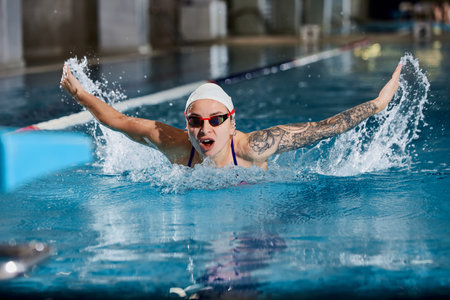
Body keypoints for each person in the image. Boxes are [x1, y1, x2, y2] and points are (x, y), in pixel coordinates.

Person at [60, 63, 402, 170]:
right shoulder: (175, 145)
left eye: (216, 119)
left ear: (232, 122)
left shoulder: (255, 147)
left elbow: (322, 129)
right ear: (186, 124)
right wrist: (79, 94)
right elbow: (117, 121)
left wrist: (377, 105)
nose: (205, 128)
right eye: (195, 121)